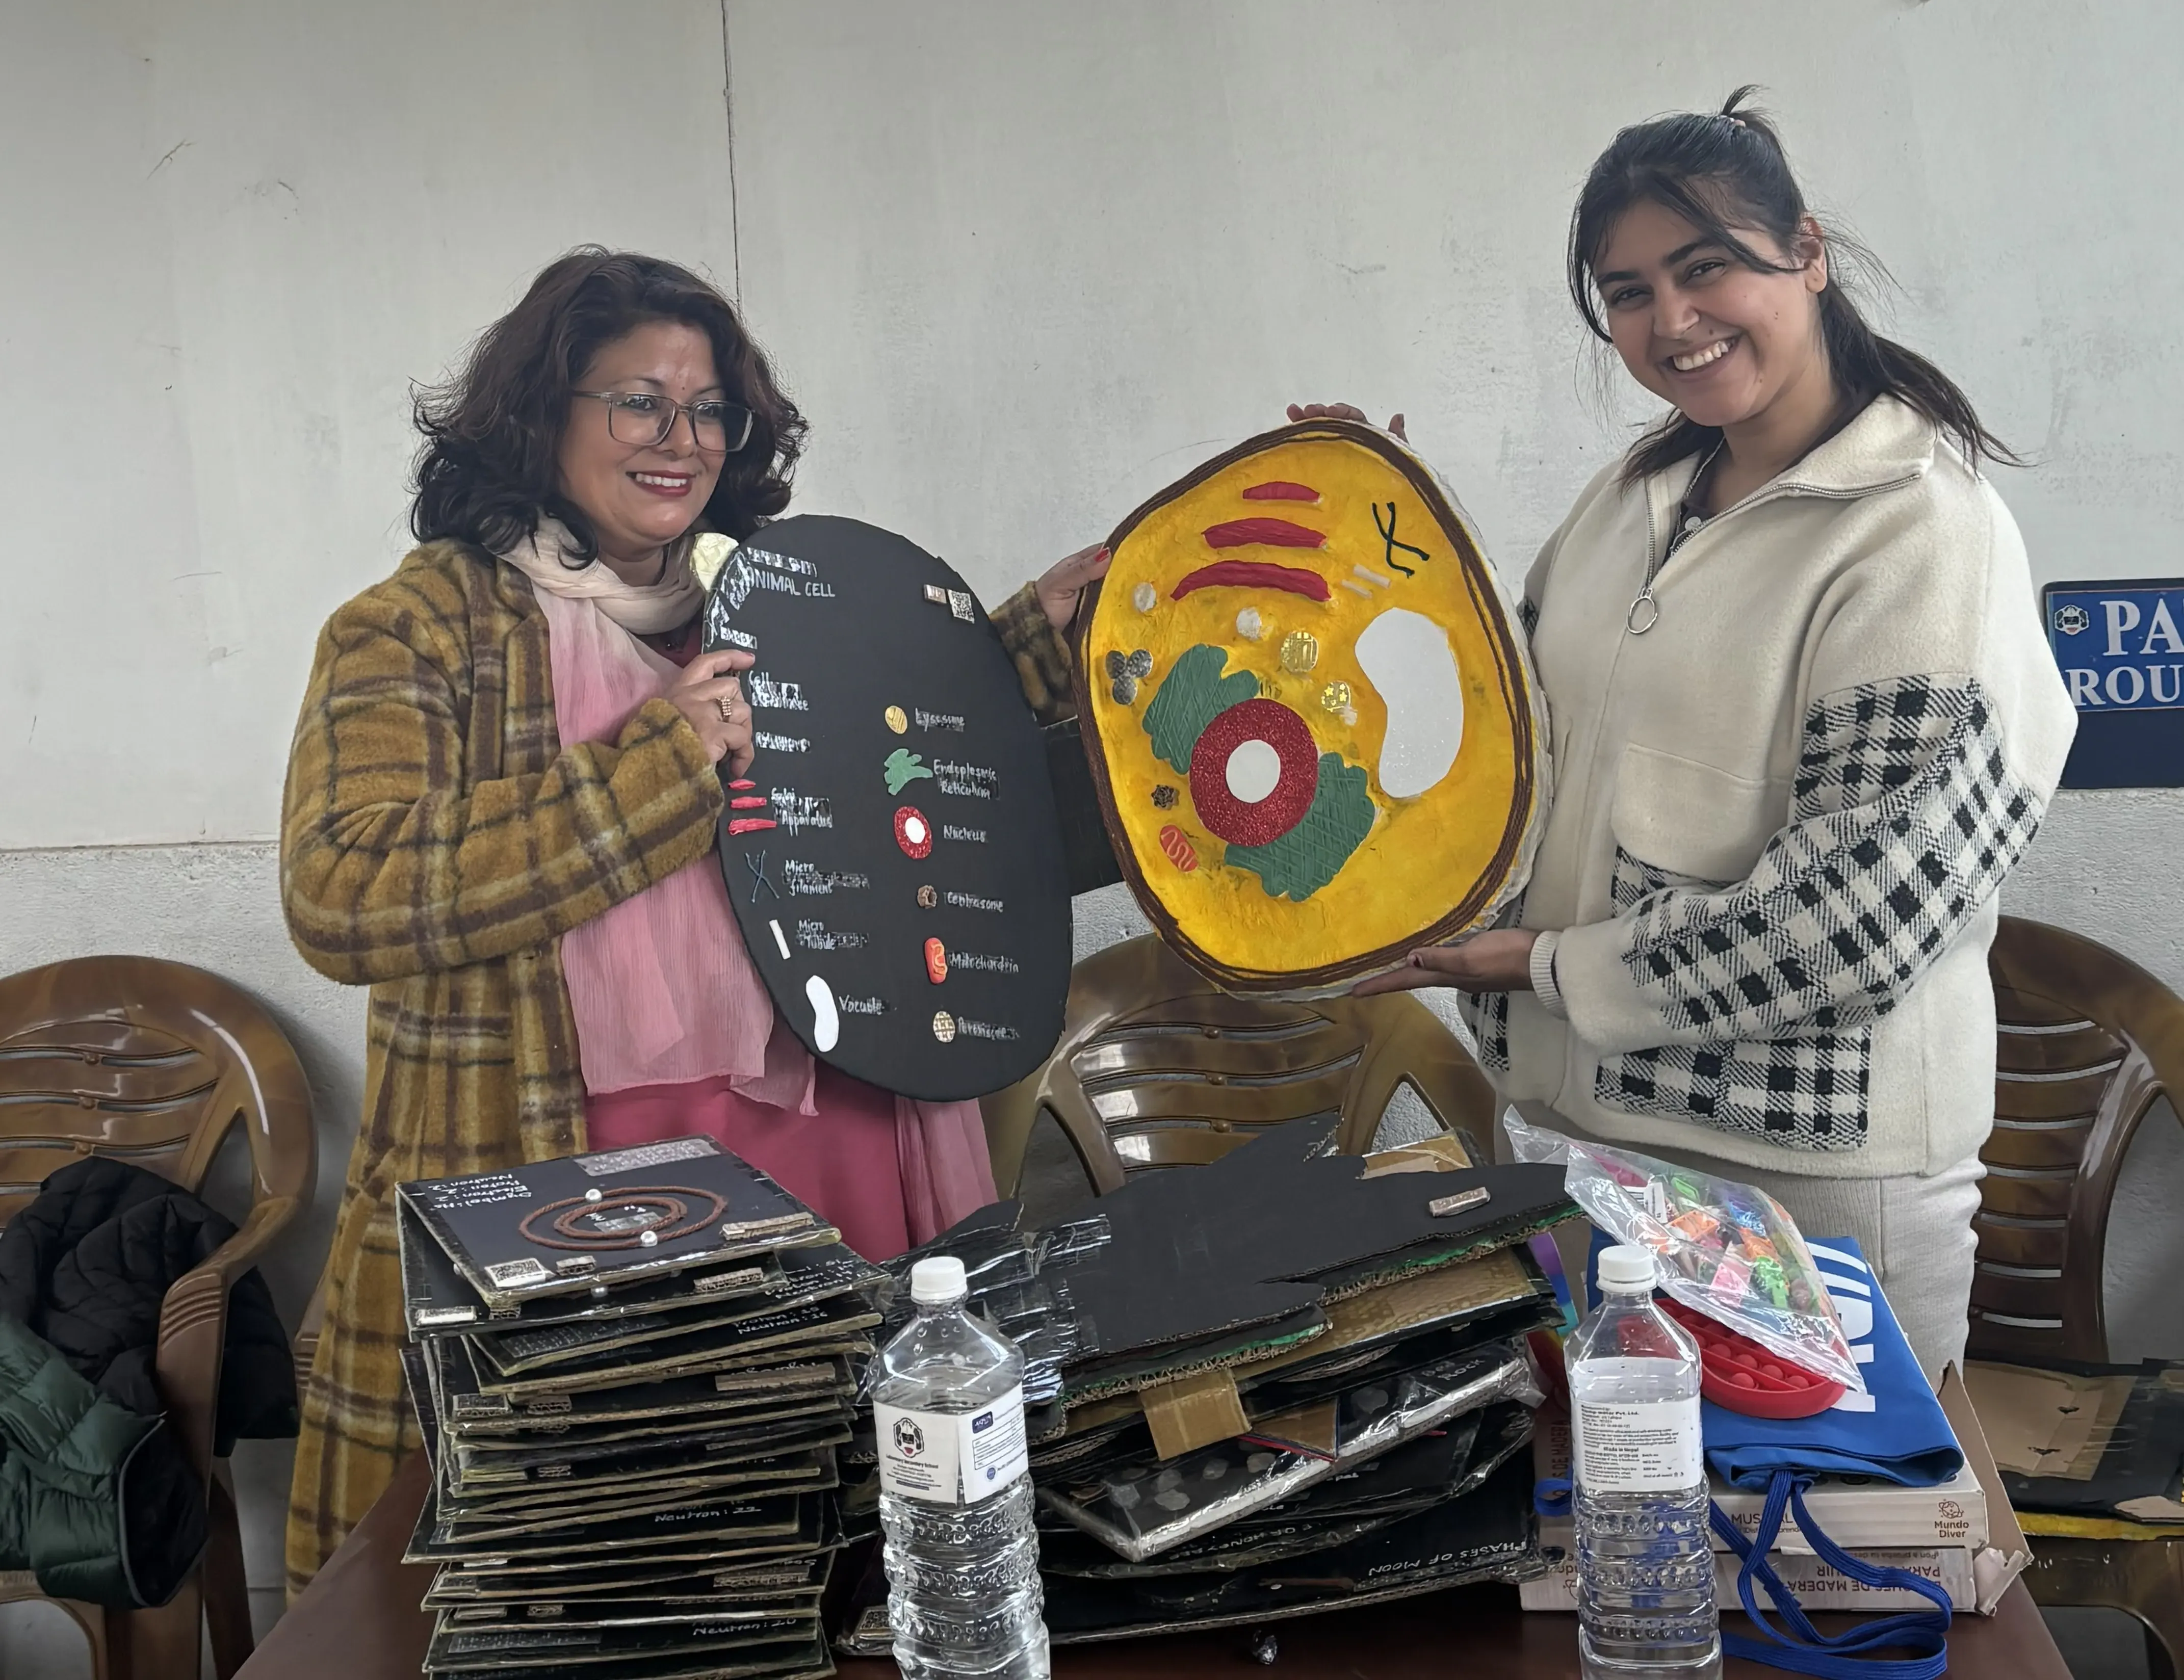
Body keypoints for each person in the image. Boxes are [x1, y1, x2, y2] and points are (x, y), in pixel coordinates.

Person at [280, 248, 1106, 1588]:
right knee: (617, 1578)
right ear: (541, 412)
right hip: (578, 1188)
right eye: (640, 403)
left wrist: (1037, 635)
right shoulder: (418, 626)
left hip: (846, 1136)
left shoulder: (768, 597)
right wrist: (656, 768)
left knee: (841, 1553)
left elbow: (886, 744)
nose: (684, 440)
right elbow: (344, 889)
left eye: (711, 409)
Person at [1310, 94, 2075, 1384]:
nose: (1672, 321)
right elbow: (1515, 738)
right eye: (1628, 291)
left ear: (1808, 251)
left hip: (1805, 1187)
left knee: (1820, 1564)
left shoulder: (1920, 530)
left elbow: (1863, 915)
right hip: (1573, 1144)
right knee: (1615, 1554)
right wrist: (1387, 550)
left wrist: (1548, 966)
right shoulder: (1635, 498)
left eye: (1706, 265)